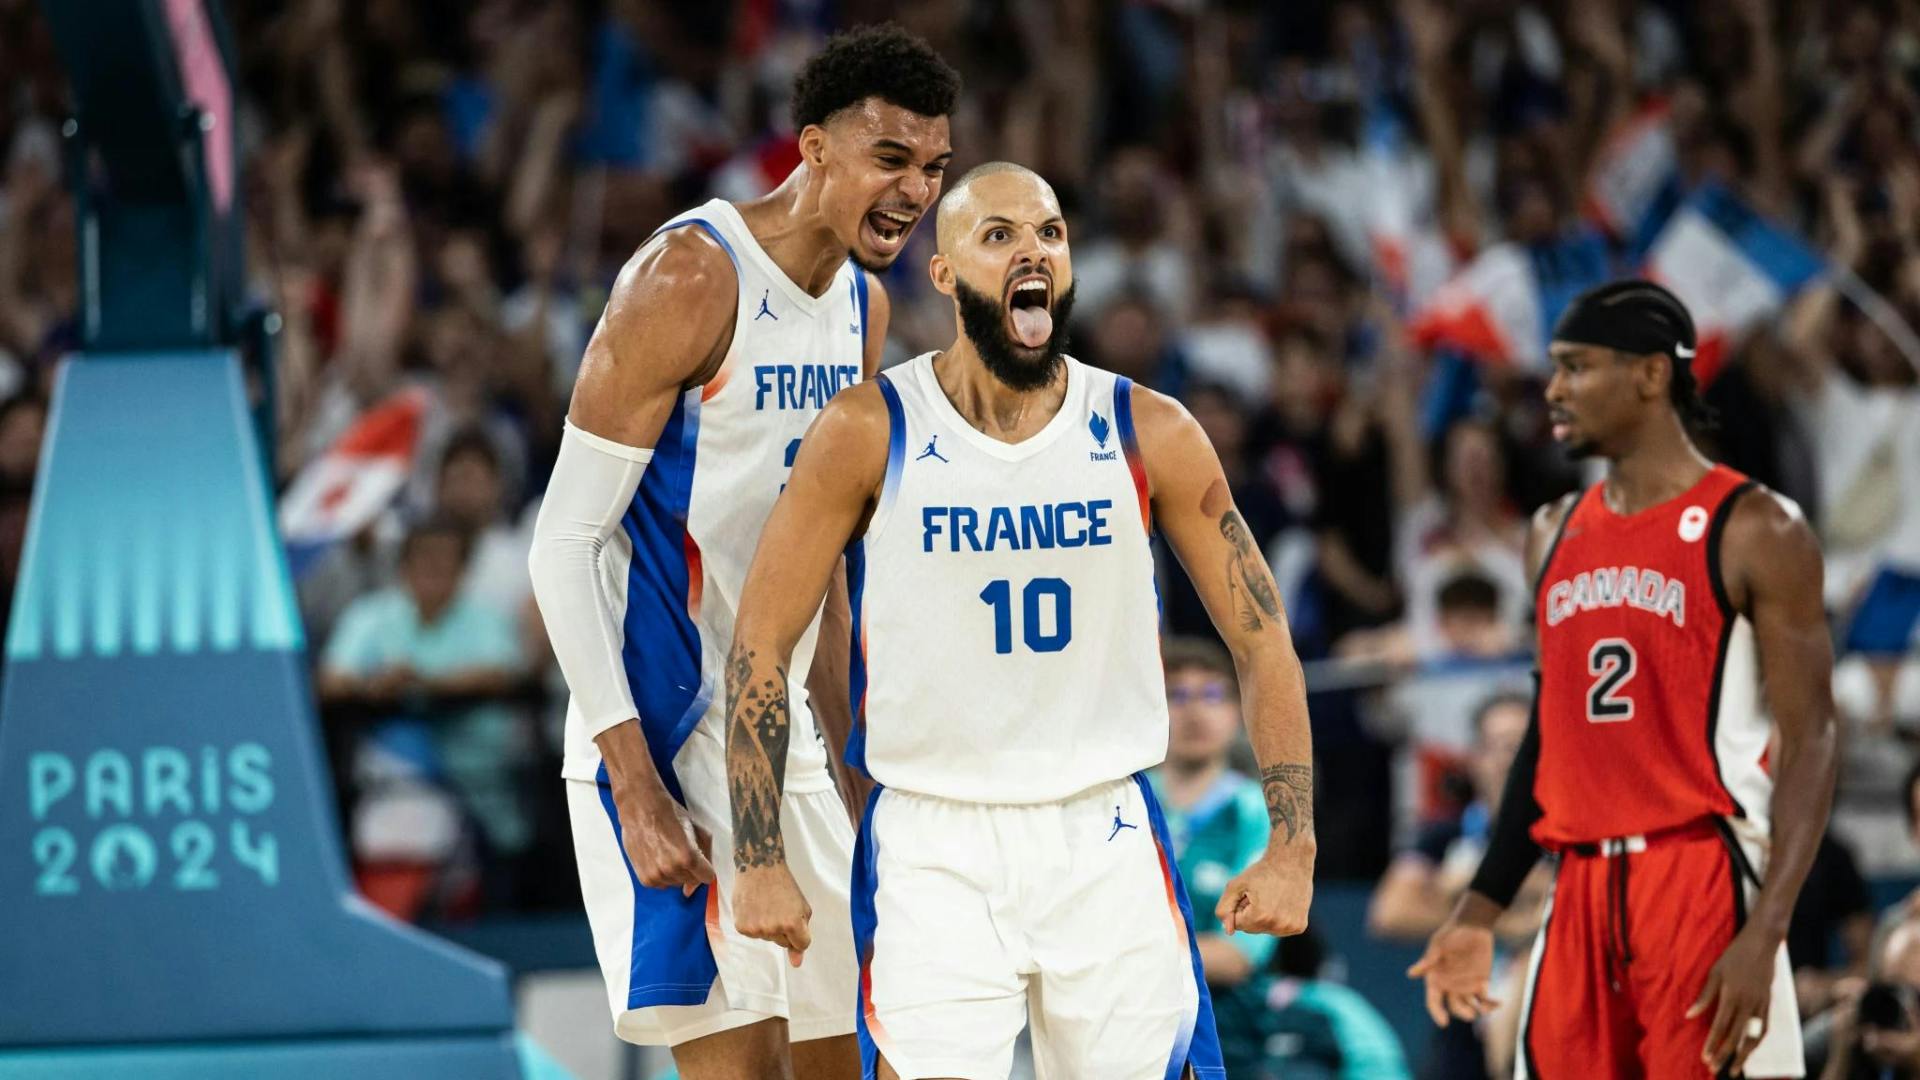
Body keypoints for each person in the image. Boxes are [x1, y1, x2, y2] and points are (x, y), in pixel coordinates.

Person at [723, 161, 1315, 1079]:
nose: (1032, 251)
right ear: (946, 273)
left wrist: (1293, 844)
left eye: (1049, 234)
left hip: (1103, 828)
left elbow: (1261, 634)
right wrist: (758, 854)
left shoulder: (1144, 425)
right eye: (999, 236)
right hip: (932, 838)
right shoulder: (869, 427)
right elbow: (762, 645)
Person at [524, 26, 958, 1080]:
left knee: (870, 1057)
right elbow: (562, 544)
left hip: (783, 741)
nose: (915, 191)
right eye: (890, 159)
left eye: (935, 168)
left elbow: (832, 558)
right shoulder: (689, 276)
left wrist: (851, 755)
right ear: (813, 150)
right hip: (665, 724)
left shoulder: (864, 305)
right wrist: (633, 786)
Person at [1408, 280, 1840, 1078]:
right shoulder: (1553, 530)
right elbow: (1548, 735)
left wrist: (1767, 929)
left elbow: (1812, 735)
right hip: (1577, 885)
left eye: (1576, 367)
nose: (1553, 389)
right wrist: (1479, 908)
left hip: (1701, 871)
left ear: (1649, 375)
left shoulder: (1756, 526)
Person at [1148, 637, 1282, 1076]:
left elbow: (1239, 955)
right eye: (1176, 695)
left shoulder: (1258, 812)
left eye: (1212, 695)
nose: (1194, 712)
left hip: (1228, 1026)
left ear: (1237, 712)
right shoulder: (1122, 801)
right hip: (1125, 1023)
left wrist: (1120, 956)